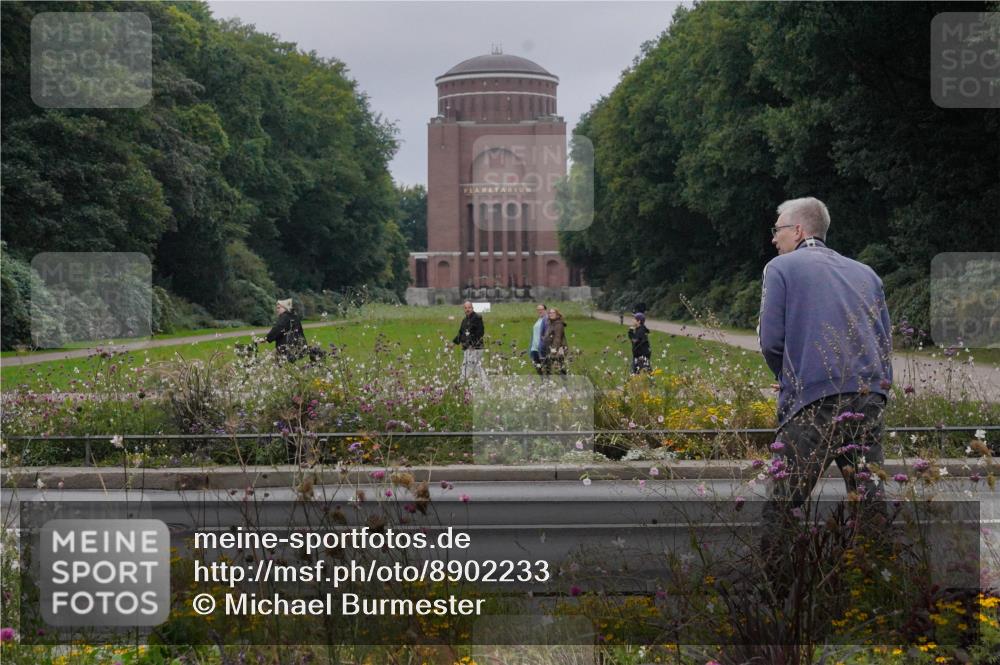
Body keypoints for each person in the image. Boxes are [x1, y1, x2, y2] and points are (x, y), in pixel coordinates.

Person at [757, 197, 893, 560]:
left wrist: (791, 379)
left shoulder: (781, 268)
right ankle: (880, 581)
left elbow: (770, 341)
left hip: (813, 400)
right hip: (867, 395)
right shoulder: (867, 273)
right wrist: (878, 390)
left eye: (778, 229)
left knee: (786, 501)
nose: (774, 239)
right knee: (868, 499)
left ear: (799, 230)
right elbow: (884, 339)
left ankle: (774, 591)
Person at [453, 301, 486, 382]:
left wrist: (472, 345)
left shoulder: (477, 318)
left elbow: (480, 333)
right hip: (467, 348)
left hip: (475, 348)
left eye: (469, 307)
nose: (467, 309)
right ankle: (487, 387)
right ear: (464, 309)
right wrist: (453, 343)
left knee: (467, 367)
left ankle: (461, 384)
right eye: (465, 308)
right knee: (476, 368)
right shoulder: (464, 320)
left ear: (472, 308)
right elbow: (461, 333)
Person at [542, 307, 568, 375]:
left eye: (553, 313)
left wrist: (554, 350)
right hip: (550, 348)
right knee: (550, 367)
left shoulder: (558, 324)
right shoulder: (551, 323)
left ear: (557, 314)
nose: (551, 314)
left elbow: (557, 338)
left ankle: (565, 384)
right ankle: (550, 383)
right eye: (550, 313)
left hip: (558, 349)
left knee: (559, 368)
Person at [529, 303, 549, 375]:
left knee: (546, 369)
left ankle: (548, 384)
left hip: (542, 348)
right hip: (534, 348)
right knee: (538, 369)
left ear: (545, 310)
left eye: (541, 309)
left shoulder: (547, 320)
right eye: (538, 310)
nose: (540, 311)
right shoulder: (538, 320)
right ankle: (543, 384)